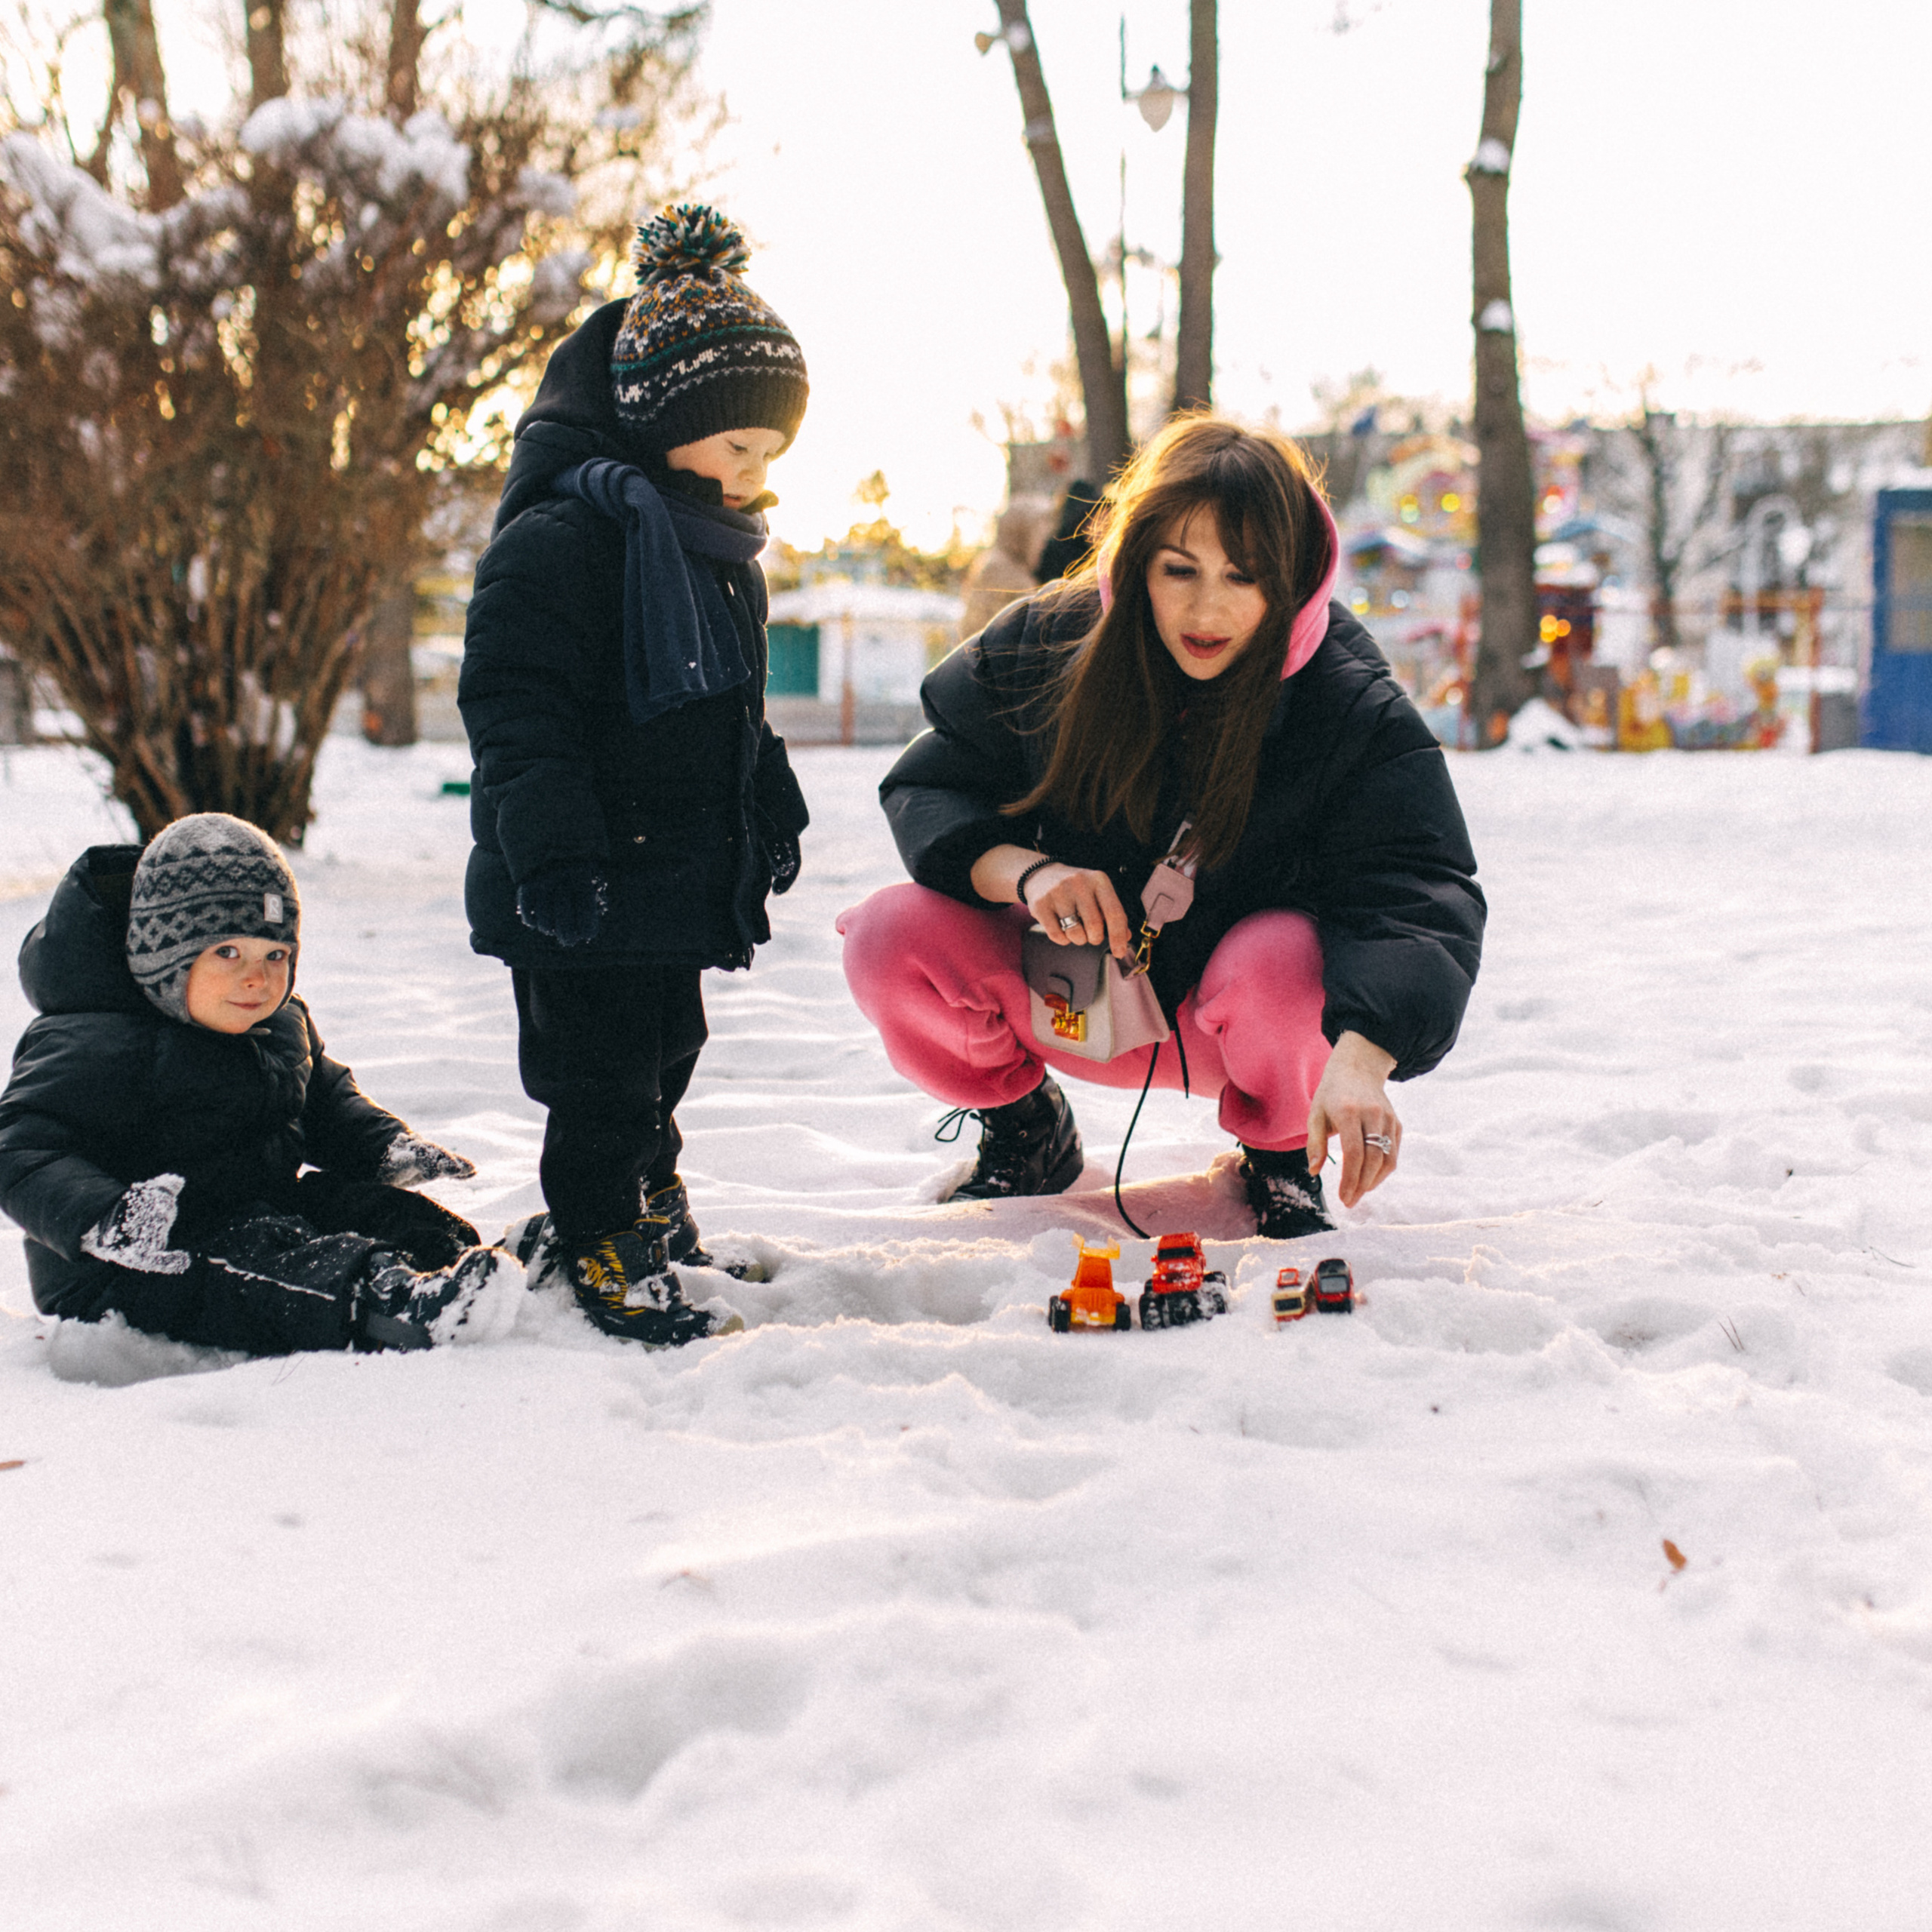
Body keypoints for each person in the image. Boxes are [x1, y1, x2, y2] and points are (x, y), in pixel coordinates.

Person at [838, 417, 1485, 1235]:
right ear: (1135, 559)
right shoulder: (1048, 641)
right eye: (1178, 570)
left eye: (1242, 578)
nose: (1205, 607)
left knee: (1283, 960)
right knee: (888, 933)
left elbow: (1417, 890)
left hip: (1240, 1026)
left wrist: (1363, 1056)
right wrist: (1027, 874)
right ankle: (1027, 1131)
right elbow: (933, 781)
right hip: (1076, 994)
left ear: (1293, 581)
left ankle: (1284, 1161)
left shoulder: (1350, 704)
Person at [457, 203, 810, 1344]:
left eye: (772, 454)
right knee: (598, 1075)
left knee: (666, 1053)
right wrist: (551, 854)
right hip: (581, 874)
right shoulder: (565, 538)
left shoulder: (713, 552)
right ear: (665, 421)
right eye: (741, 447)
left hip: (669, 874)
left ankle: (651, 1208)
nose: (757, 475)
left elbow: (733, 712)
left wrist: (771, 801)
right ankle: (599, 1237)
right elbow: (517, 713)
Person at [0, 815, 515, 1356]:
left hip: (256, 1207)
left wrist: (384, 1147)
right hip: (134, 1261)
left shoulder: (281, 1024)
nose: (258, 978)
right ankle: (385, 1304)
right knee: (267, 1255)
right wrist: (107, 1216)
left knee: (366, 1210)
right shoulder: (97, 1039)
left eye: (275, 955)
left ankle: (460, 1262)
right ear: (163, 963)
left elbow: (325, 1100)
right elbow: (23, 1145)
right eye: (227, 953)